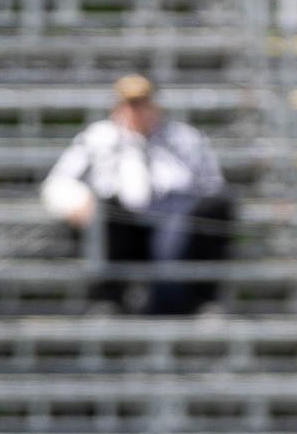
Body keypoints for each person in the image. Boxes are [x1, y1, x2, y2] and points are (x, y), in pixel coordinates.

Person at [40, 74, 233, 316]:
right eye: (129, 104)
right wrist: (79, 200)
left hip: (175, 227)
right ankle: (107, 301)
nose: (135, 111)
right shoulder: (97, 138)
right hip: (120, 227)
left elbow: (212, 187)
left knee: (214, 210)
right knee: (102, 211)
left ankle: (197, 301)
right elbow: (58, 182)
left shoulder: (185, 139)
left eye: (141, 104)